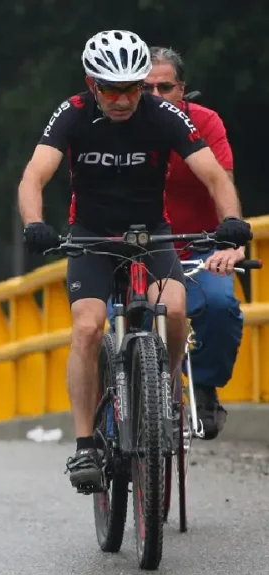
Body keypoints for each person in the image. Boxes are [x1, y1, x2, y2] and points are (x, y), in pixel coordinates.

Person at [17, 30, 251, 493]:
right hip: (92, 237)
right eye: (111, 89)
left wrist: (232, 221)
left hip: (152, 234)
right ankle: (84, 444)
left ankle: (162, 393)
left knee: (177, 307)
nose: (123, 100)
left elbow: (213, 175)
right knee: (87, 327)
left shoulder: (162, 115)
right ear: (91, 84)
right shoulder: (73, 114)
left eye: (132, 89)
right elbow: (34, 175)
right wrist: (33, 222)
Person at [145, 46, 242, 439]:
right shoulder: (116, 126)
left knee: (220, 305)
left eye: (164, 87)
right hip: (140, 245)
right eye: (144, 87)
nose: (154, 97)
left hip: (199, 245)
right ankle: (117, 414)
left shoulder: (204, 124)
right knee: (111, 317)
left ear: (181, 90)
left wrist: (231, 237)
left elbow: (222, 182)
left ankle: (202, 384)